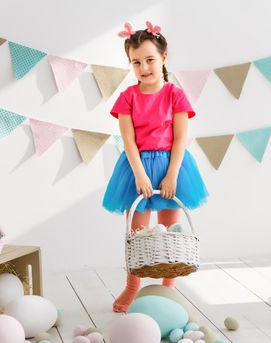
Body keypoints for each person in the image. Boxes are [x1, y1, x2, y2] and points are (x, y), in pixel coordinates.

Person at [102, 21, 208, 313]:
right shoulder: (128, 98)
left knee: (170, 230)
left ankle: (167, 289)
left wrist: (172, 173)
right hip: (137, 167)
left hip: (171, 164)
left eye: (150, 59)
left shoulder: (175, 94)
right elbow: (128, 140)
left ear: (163, 58)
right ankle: (132, 285)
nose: (144, 67)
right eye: (136, 62)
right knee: (136, 233)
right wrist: (139, 174)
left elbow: (180, 138)